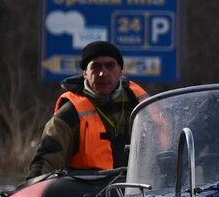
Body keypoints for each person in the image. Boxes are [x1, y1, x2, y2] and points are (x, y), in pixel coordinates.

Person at [26, 40, 149, 175]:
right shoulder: (70, 113)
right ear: (85, 72)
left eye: (110, 65)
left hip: (139, 189)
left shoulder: (141, 104)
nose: (103, 73)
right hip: (88, 192)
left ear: (120, 70)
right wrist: (29, 190)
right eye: (95, 67)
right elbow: (45, 161)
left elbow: (165, 146)